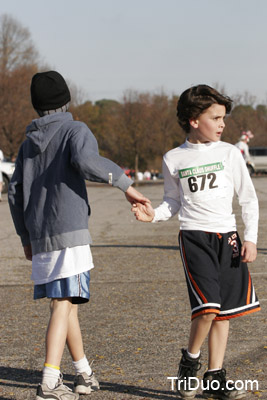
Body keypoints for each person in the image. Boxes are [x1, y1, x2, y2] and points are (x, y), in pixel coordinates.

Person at [8, 70, 150, 400]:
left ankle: (85, 374)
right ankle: (49, 382)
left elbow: (15, 194)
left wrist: (25, 237)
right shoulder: (75, 130)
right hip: (68, 232)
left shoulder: (28, 143)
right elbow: (87, 162)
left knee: (67, 305)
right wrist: (125, 185)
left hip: (41, 235)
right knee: (63, 303)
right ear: (67, 99)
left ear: (36, 105)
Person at [132, 85, 260, 399]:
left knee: (224, 312)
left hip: (227, 239)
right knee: (207, 308)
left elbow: (249, 200)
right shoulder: (174, 158)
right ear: (193, 120)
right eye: (215, 117)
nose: (222, 124)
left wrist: (251, 238)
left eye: (223, 118)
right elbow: (173, 202)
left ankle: (215, 377)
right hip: (194, 239)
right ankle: (189, 362)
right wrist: (154, 216)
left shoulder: (229, 152)